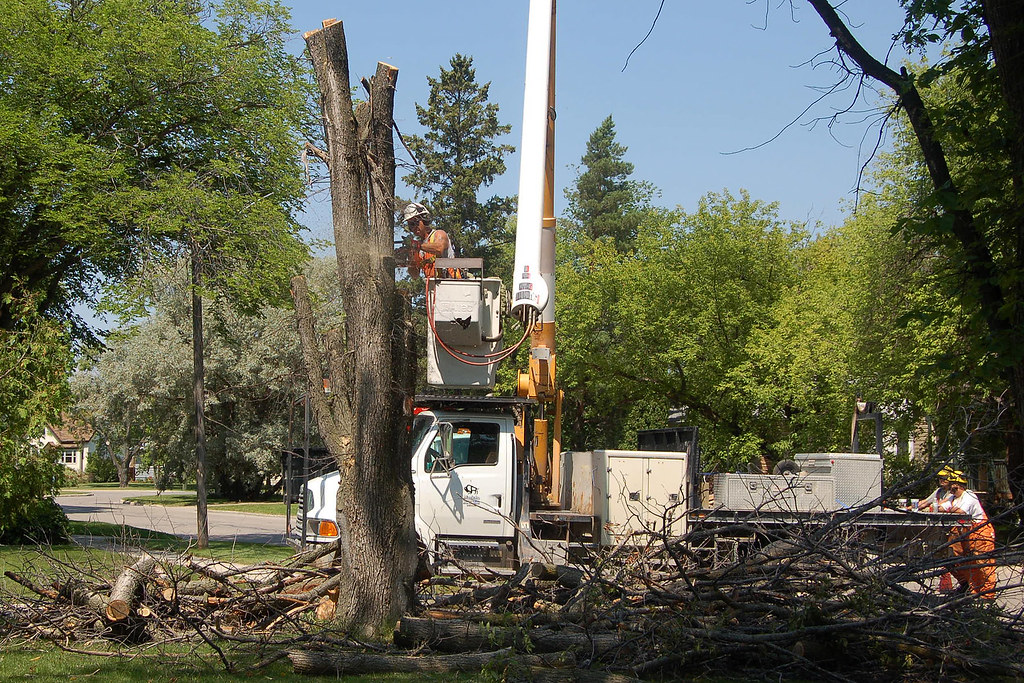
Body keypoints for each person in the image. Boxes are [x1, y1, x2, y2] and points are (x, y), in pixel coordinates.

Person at [939, 470, 997, 599]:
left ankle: (987, 594)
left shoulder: (969, 496)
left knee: (983, 563)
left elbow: (961, 511)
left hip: (980, 531)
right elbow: (941, 507)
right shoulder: (954, 498)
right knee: (956, 559)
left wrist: (948, 507)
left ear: (956, 484)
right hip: (965, 532)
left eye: (950, 483)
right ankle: (969, 587)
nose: (946, 485)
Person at [402, 202, 453, 279]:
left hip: (450, 284)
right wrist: (410, 254)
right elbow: (415, 275)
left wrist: (417, 245)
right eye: (410, 225)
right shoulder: (418, 248)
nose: (414, 227)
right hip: (432, 286)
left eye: (415, 223)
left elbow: (439, 249)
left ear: (424, 220)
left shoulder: (439, 234)